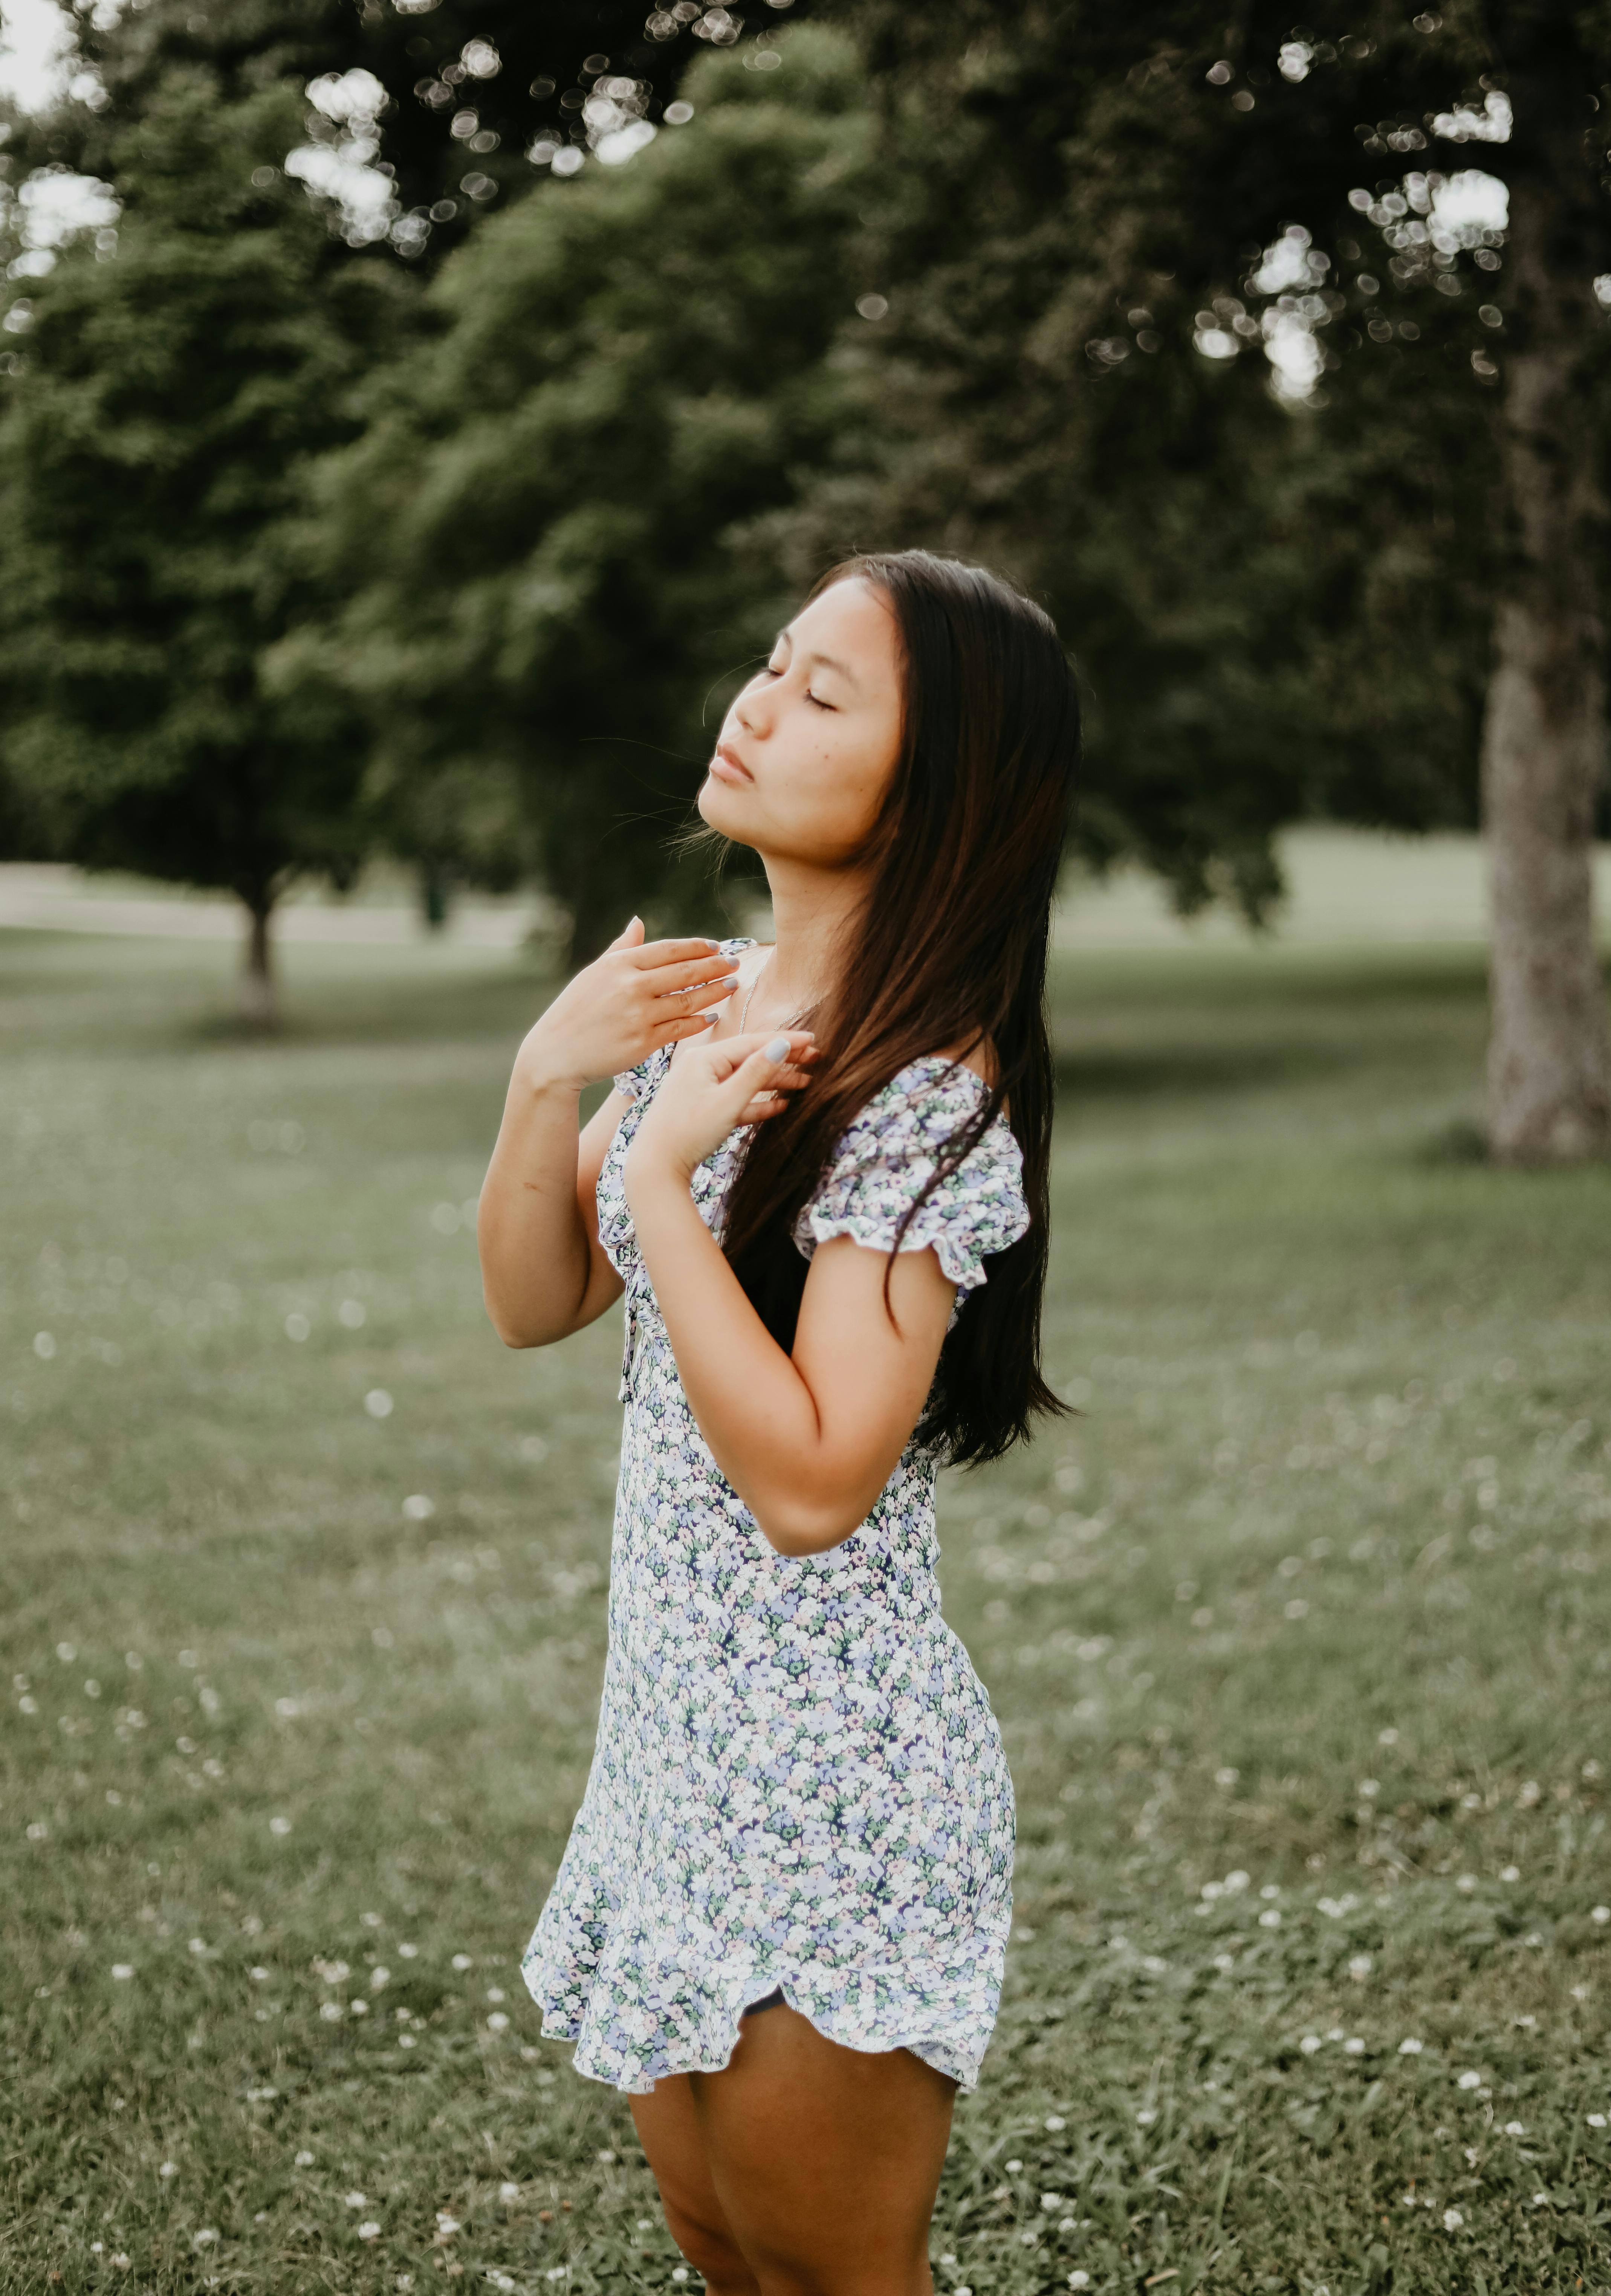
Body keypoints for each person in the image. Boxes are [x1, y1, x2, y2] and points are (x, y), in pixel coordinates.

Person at [478, 550, 1081, 2296]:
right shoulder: (716, 1001)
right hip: (675, 1749)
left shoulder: (927, 1091)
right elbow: (532, 1298)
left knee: (830, 2273)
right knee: (719, 2247)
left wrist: (663, 1183)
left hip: (831, 1791)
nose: (758, 702)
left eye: (825, 693)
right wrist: (549, 1076)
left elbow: (816, 1481)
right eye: (771, 663)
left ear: (938, 791)